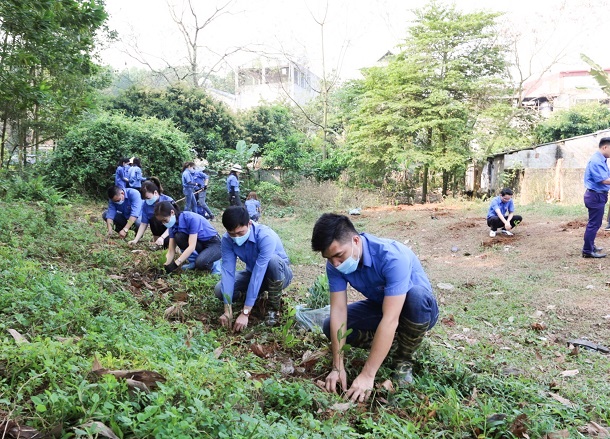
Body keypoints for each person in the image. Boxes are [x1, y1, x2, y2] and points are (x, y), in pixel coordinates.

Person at [311, 213, 439, 401]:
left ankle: (403, 359)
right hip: (381, 306)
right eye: (329, 258)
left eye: (339, 255)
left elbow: (390, 319)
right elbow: (338, 311)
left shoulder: (392, 257)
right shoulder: (335, 265)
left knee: (416, 297)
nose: (335, 264)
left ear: (355, 241)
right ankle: (393, 343)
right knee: (329, 325)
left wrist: (367, 374)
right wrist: (337, 367)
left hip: (418, 310)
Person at [214, 206, 292, 332]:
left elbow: (259, 272)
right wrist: (227, 309)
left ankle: (273, 308)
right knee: (219, 290)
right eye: (232, 234)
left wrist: (245, 313)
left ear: (249, 223)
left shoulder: (265, 236)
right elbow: (228, 272)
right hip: (252, 273)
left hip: (279, 275)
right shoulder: (227, 240)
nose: (236, 237)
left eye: (240, 233)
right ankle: (252, 296)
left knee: (272, 261)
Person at [154, 201, 221, 273]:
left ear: (172, 212)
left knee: (201, 263)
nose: (164, 223)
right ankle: (194, 262)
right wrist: (164, 267)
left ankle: (214, 263)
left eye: (165, 220)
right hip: (200, 243)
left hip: (214, 243)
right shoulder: (172, 227)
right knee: (179, 237)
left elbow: (191, 247)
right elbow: (171, 251)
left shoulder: (190, 218)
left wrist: (176, 264)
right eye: (161, 221)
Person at [128, 177, 176, 248]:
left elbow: (174, 223)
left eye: (148, 198)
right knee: (154, 218)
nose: (147, 200)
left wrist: (162, 237)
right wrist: (135, 240)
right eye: (145, 199)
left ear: (155, 193)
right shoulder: (145, 205)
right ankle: (157, 242)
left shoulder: (168, 201)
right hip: (158, 233)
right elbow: (144, 223)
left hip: (170, 231)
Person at [583, 137, 610, 258]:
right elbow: (604, 180)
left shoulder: (601, 159)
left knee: (595, 223)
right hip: (595, 196)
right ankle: (587, 251)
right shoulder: (596, 160)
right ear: (605, 147)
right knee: (593, 224)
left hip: (598, 195)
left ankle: (591, 246)